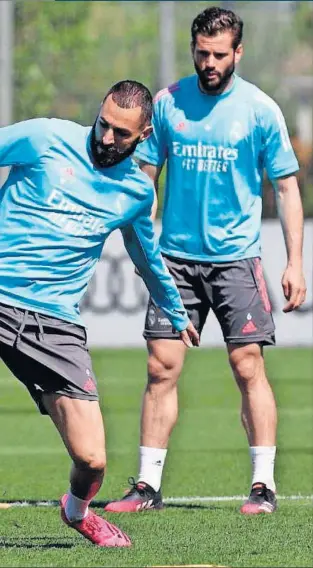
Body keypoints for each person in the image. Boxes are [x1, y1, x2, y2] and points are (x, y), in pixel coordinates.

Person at [104, 7, 307, 516]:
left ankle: (263, 486)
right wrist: (140, 235)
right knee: (161, 368)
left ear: (238, 52)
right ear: (193, 48)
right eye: (201, 52)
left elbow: (285, 187)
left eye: (219, 54)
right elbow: (146, 176)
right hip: (174, 260)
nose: (209, 62)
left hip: (237, 260)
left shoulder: (261, 110)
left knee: (247, 365)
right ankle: (147, 487)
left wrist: (295, 261)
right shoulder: (168, 104)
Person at [0, 79, 199, 547]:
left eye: (121, 134)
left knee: (92, 461)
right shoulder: (46, 137)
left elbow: (147, 256)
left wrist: (175, 309)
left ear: (144, 134)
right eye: (103, 124)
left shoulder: (135, 193)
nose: (106, 138)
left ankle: (77, 512)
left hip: (53, 322)